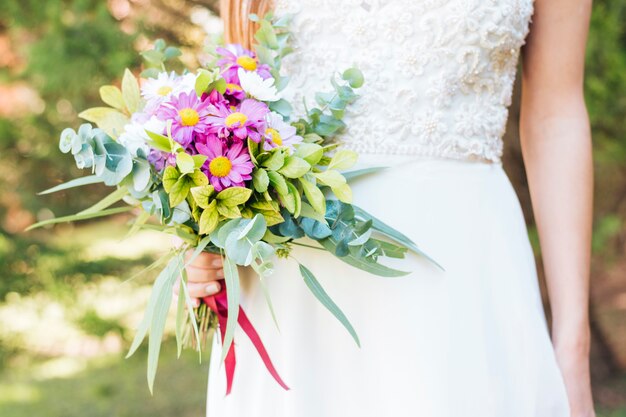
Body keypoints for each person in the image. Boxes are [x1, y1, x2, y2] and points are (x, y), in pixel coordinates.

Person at [180, 0, 595, 415]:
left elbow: (554, 118)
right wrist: (208, 238)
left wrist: (573, 353)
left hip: (463, 281)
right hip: (294, 292)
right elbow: (239, 108)